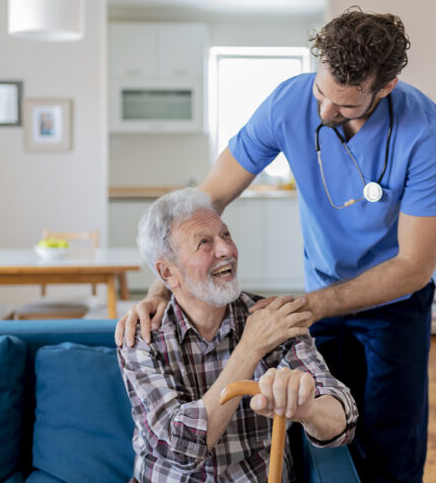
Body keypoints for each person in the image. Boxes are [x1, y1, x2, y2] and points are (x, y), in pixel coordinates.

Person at [117, 8, 436, 483]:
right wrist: (162, 286)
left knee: (391, 444)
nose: (325, 112)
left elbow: (415, 265)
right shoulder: (288, 103)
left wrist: (309, 306)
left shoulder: (422, 128)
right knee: (316, 426)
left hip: (393, 302)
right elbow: (206, 200)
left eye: (346, 106)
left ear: (386, 88)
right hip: (322, 287)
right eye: (321, 93)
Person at [117, 187, 358, 482]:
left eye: (226, 235)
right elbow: (180, 451)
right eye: (204, 243)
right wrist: (249, 349)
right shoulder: (142, 337)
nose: (226, 250)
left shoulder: (273, 318)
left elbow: (342, 420)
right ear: (168, 273)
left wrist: (309, 411)